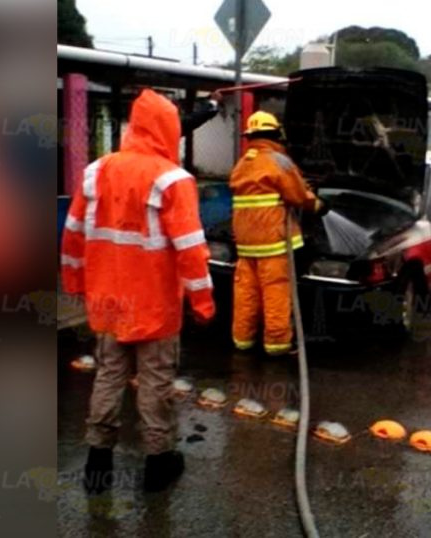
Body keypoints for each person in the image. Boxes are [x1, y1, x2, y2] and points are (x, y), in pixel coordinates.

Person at [61, 89, 215, 493]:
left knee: (109, 376)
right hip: (155, 307)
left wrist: (75, 282)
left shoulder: (97, 171)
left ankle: (98, 464)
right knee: (155, 383)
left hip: (108, 303)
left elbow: (73, 234)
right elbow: (191, 249)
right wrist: (203, 301)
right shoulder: (172, 180)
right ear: (166, 130)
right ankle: (159, 462)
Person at [229, 111, 327, 356]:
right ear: (276, 134)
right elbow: (298, 196)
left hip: (246, 244)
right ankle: (277, 345)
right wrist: (319, 205)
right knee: (275, 292)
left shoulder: (243, 163)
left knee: (246, 294)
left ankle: (243, 342)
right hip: (273, 243)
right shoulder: (279, 161)